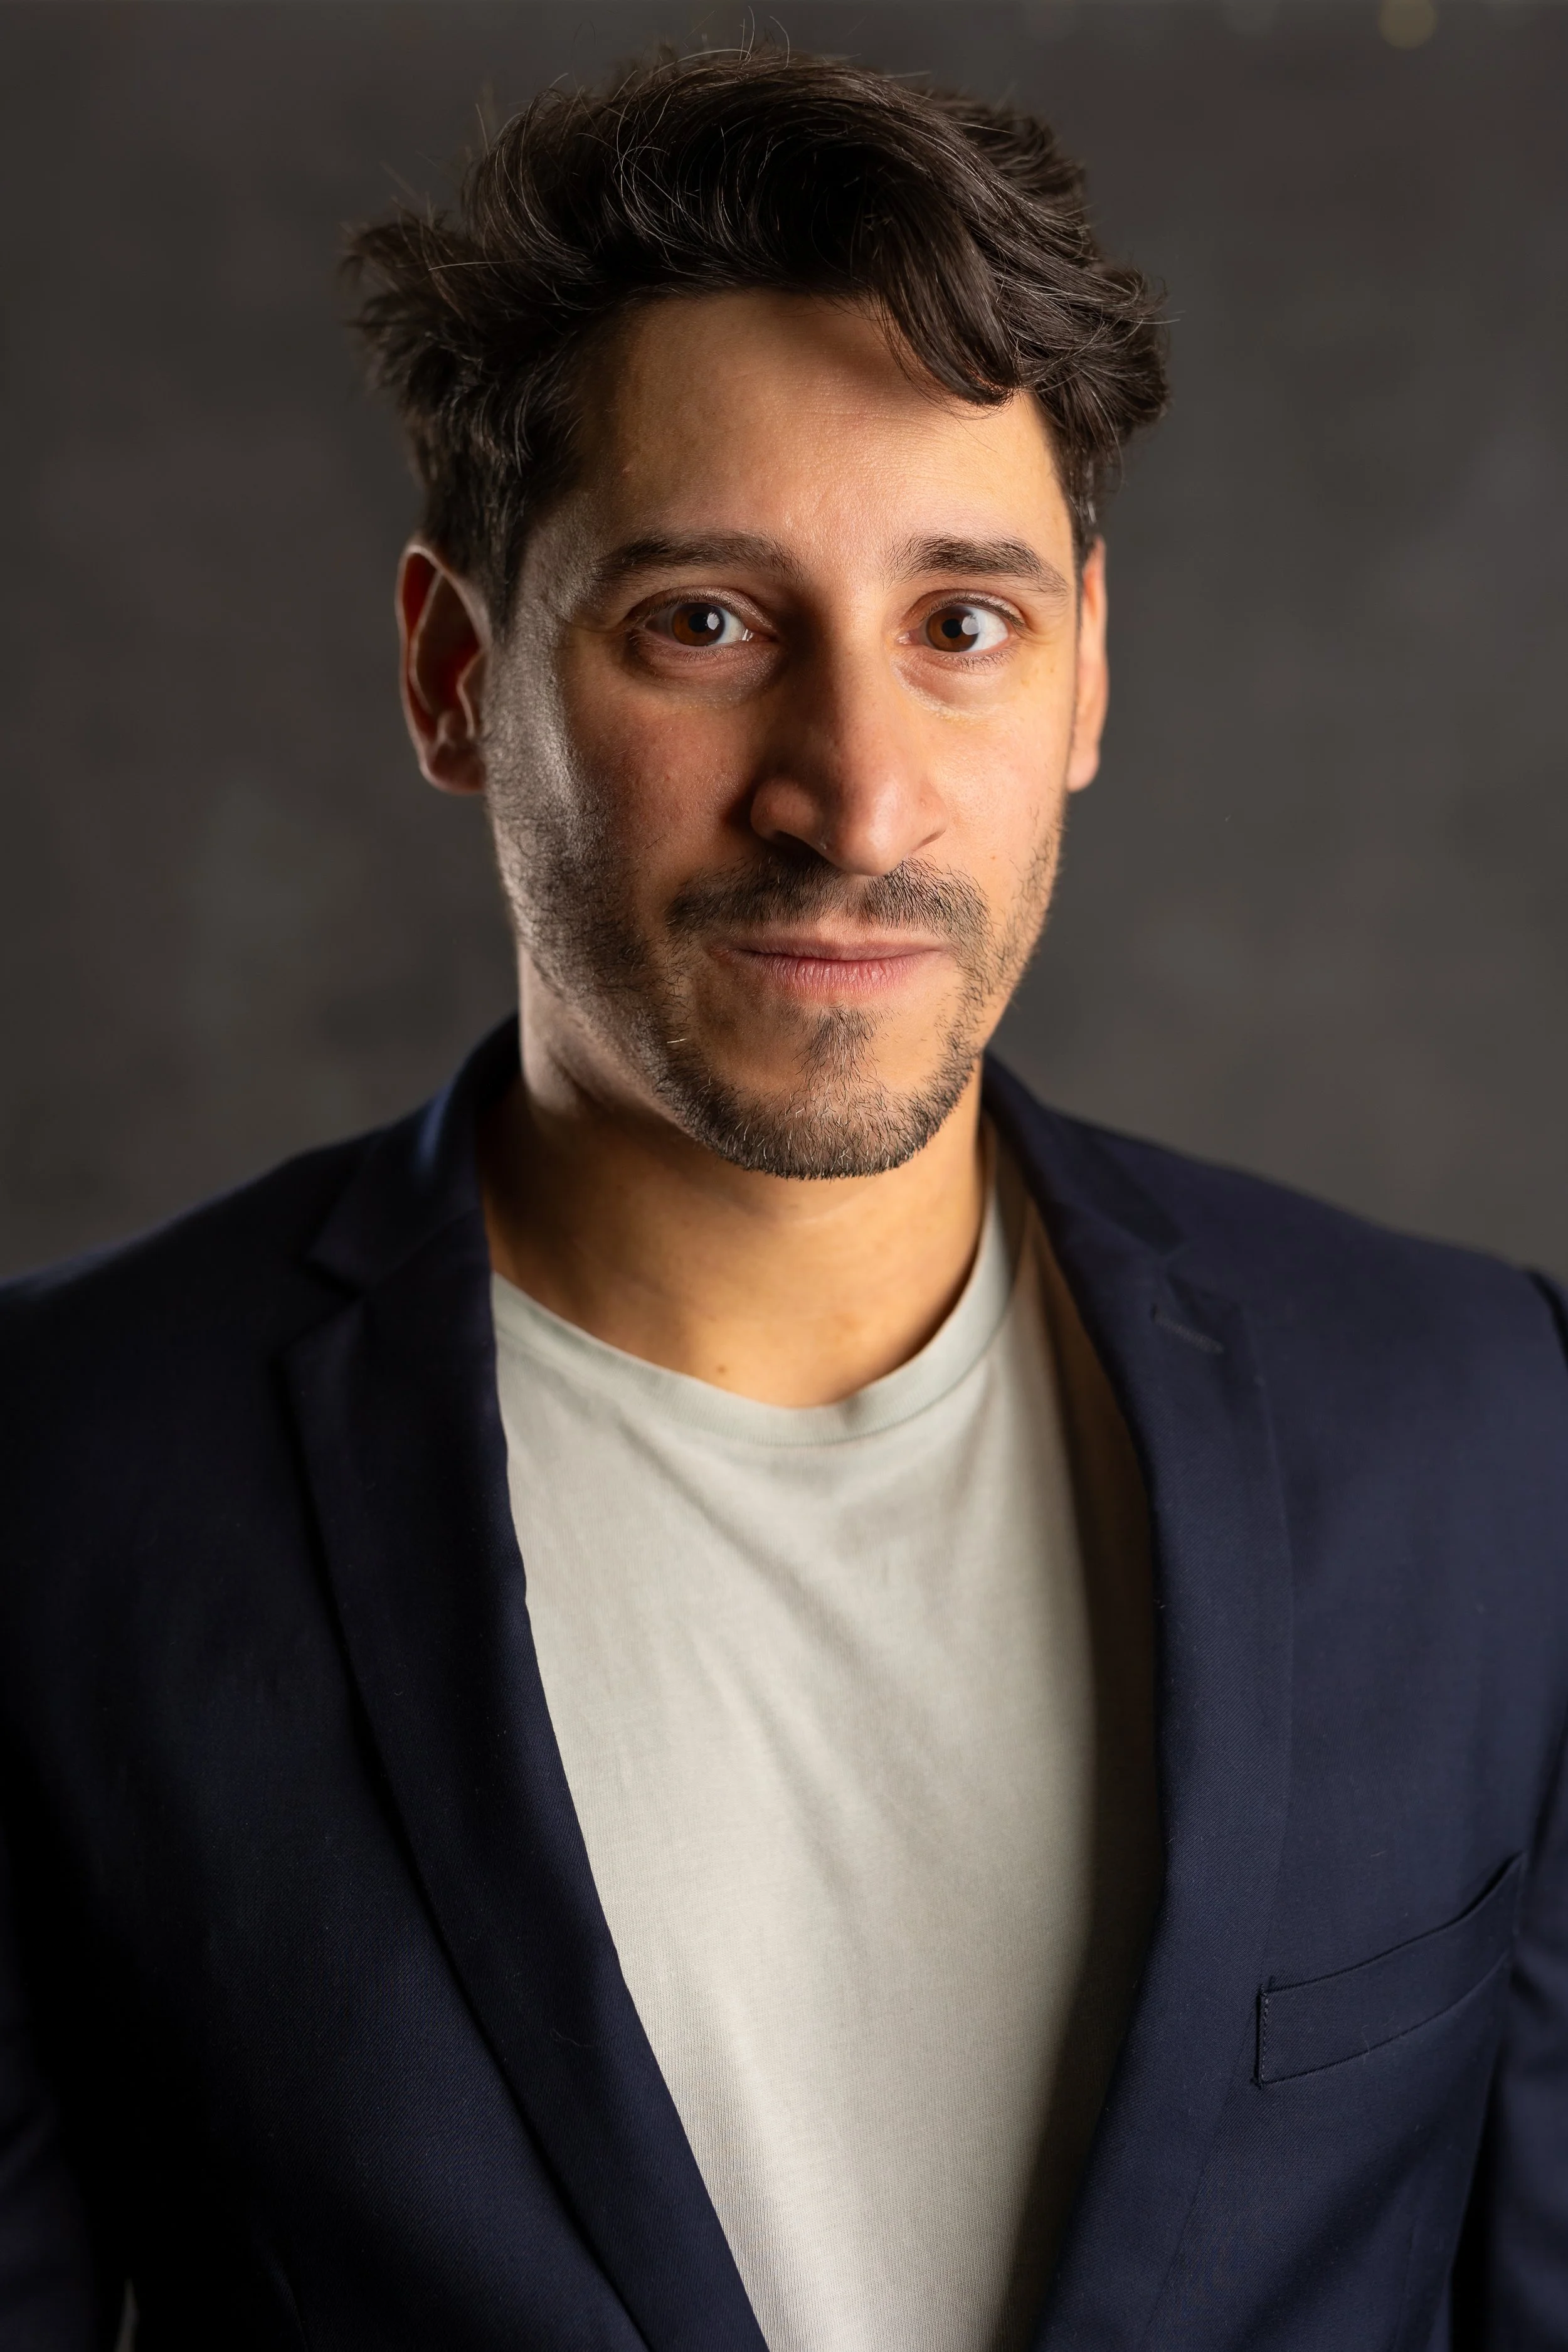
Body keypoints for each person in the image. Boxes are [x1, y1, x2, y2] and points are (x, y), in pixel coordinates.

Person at [1, 42, 1564, 2352]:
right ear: (454, 672)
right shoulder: (61, 1473)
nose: (854, 791)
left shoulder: (1484, 1428)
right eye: (705, 621)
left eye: (961, 622)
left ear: (1086, 677)